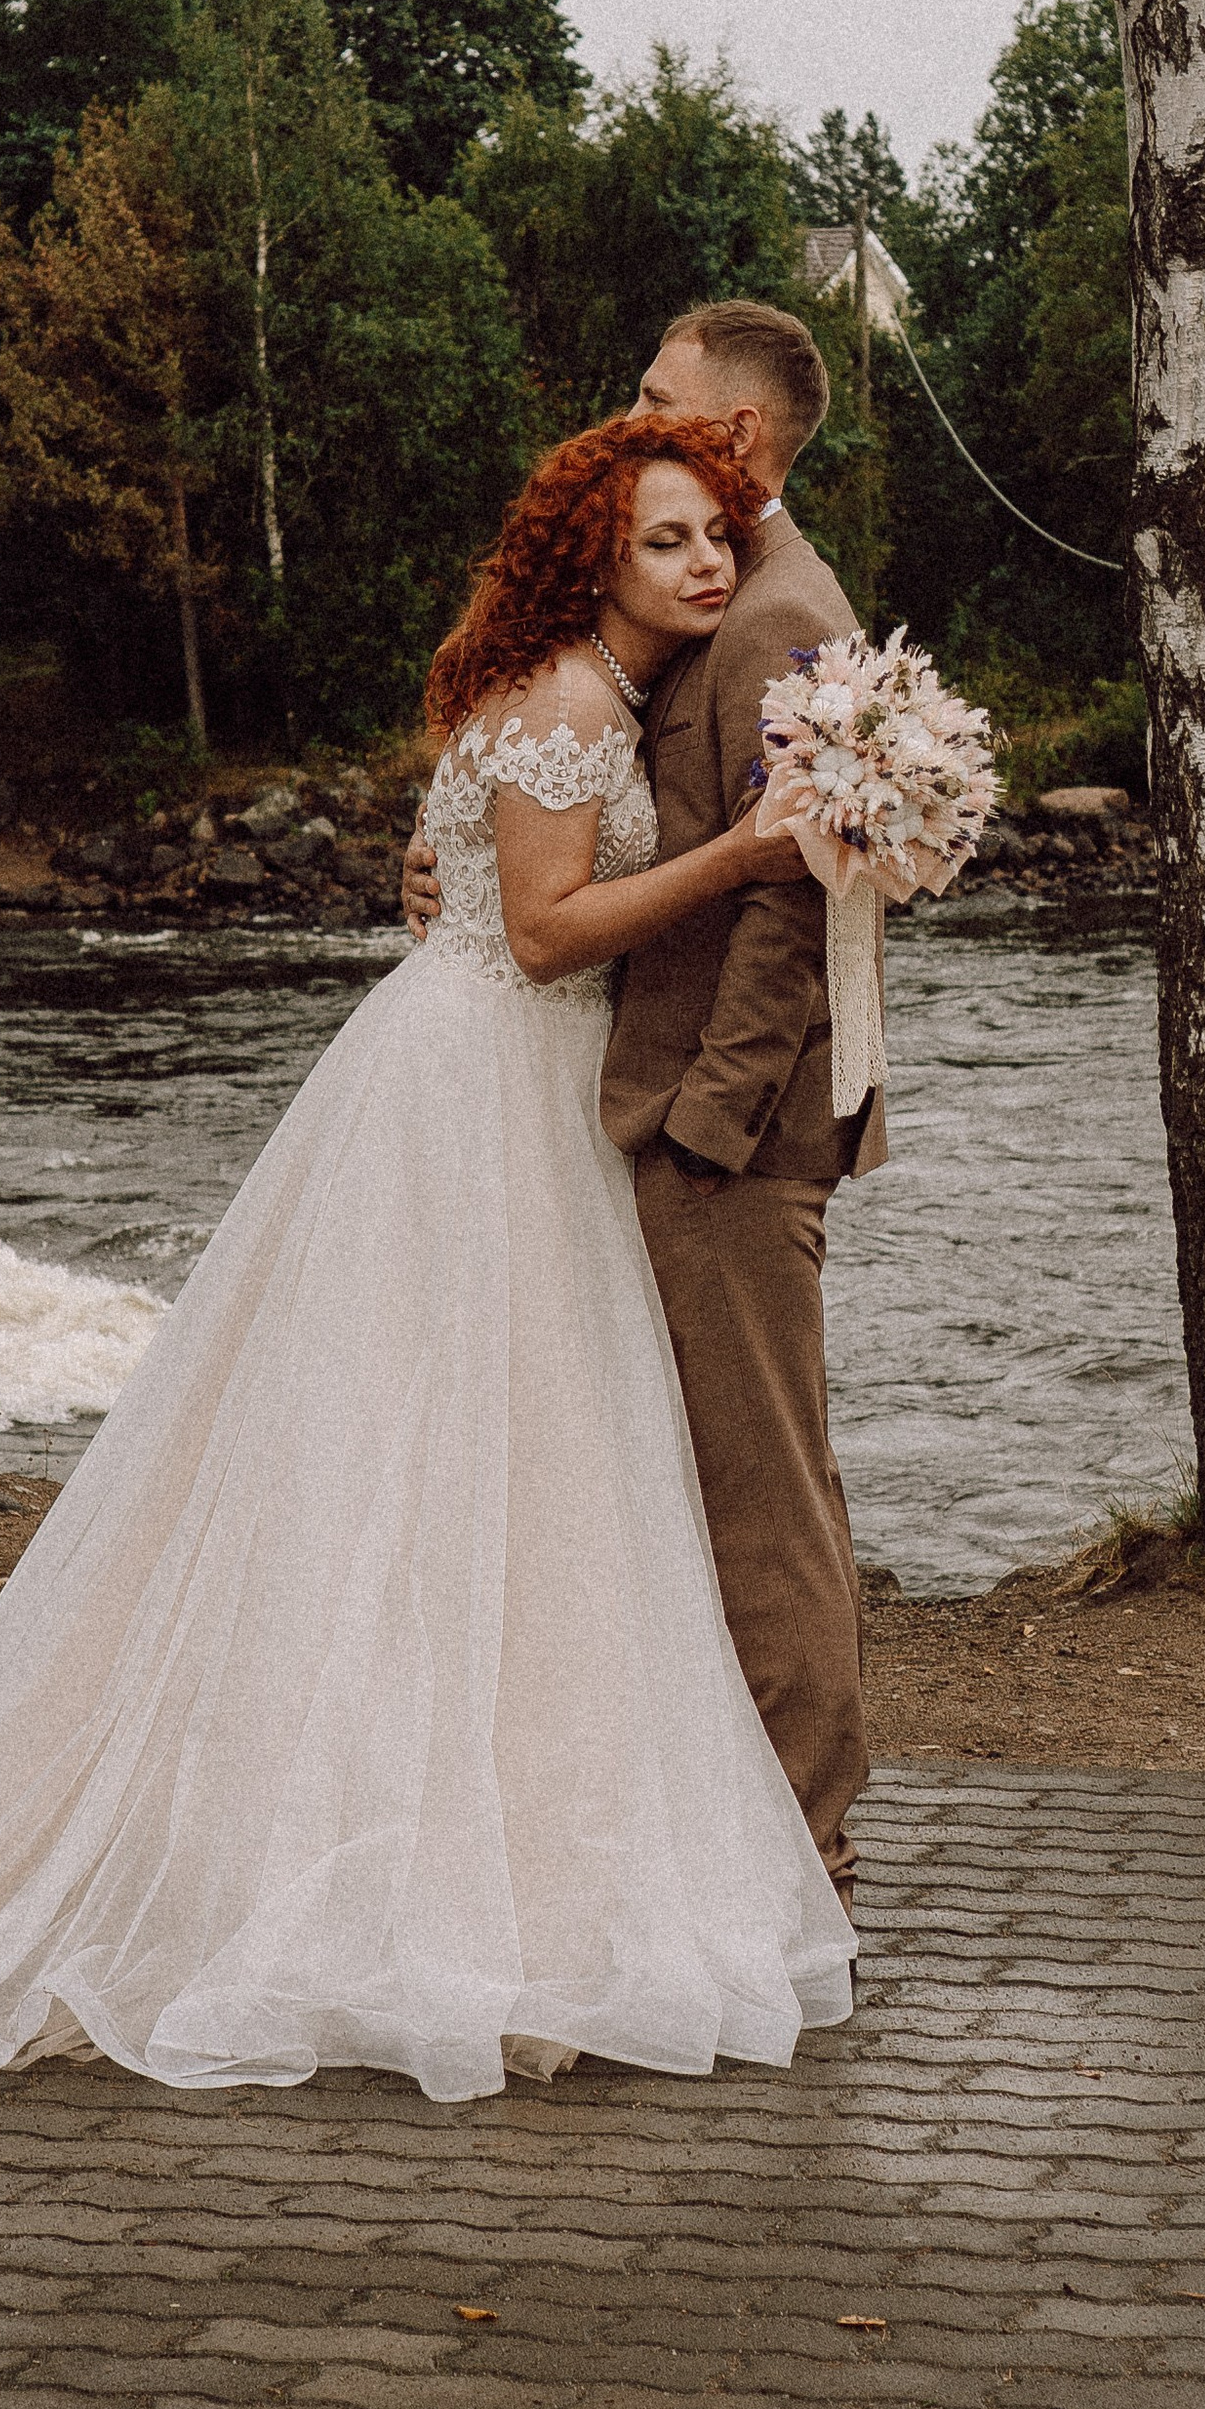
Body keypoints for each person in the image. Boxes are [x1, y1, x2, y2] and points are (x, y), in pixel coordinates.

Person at [0, 418, 855, 2104]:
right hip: (476, 1091)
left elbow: (479, 890)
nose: (706, 568)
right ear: (594, 559)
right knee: (417, 1453)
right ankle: (360, 1850)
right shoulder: (568, 704)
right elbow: (535, 933)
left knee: (505, 1468)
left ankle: (481, 1817)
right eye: (669, 541)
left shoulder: (586, 690)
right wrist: (742, 857)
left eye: (716, 543)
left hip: (495, 1084)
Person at [404, 301, 882, 1907]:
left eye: (657, 395)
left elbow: (799, 906)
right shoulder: (715, 609)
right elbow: (588, 824)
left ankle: (801, 1845)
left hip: (719, 1130)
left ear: (734, 440)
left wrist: (708, 1125)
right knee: (694, 1475)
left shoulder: (771, 623)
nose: (631, 410)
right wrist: (459, 859)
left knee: (763, 1497)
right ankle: (727, 1817)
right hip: (615, 1090)